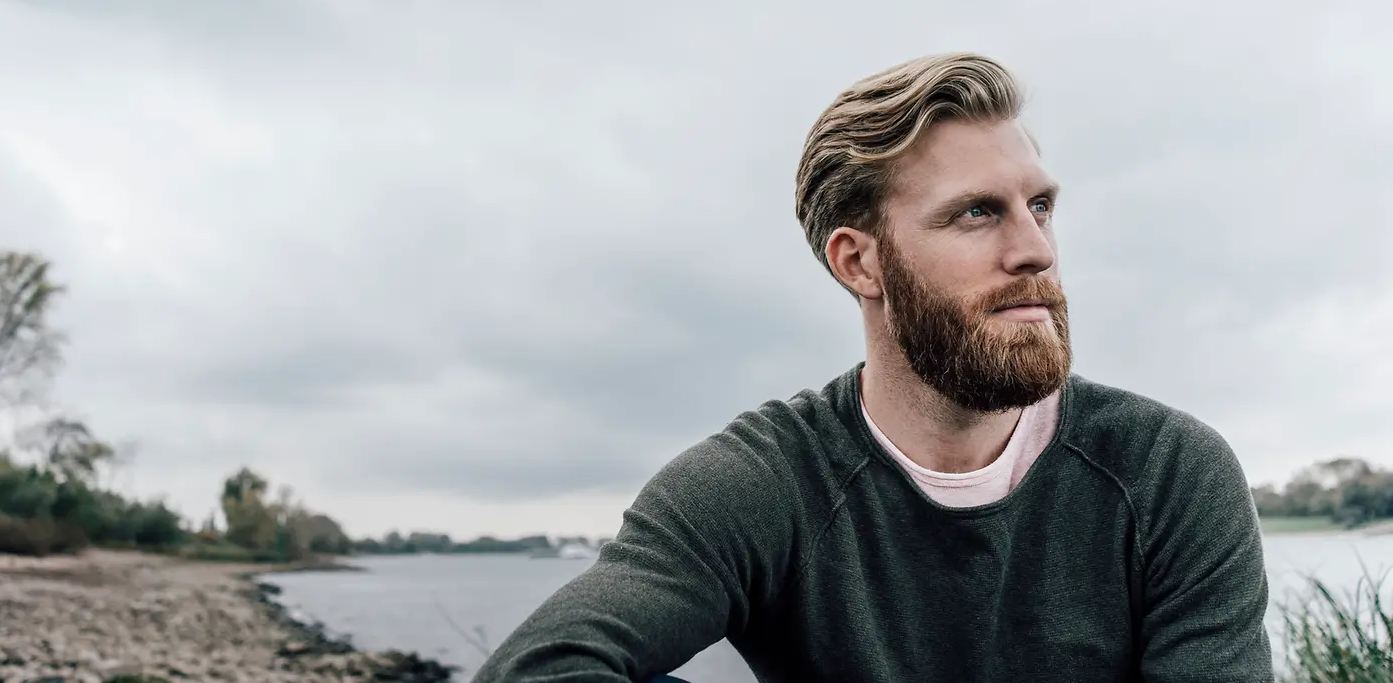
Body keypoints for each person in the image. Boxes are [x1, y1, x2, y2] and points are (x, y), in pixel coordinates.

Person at [471, 53, 1273, 682]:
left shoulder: (1168, 472)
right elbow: (536, 671)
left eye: (1040, 205)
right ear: (861, 263)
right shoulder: (764, 484)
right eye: (975, 212)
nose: (1036, 248)